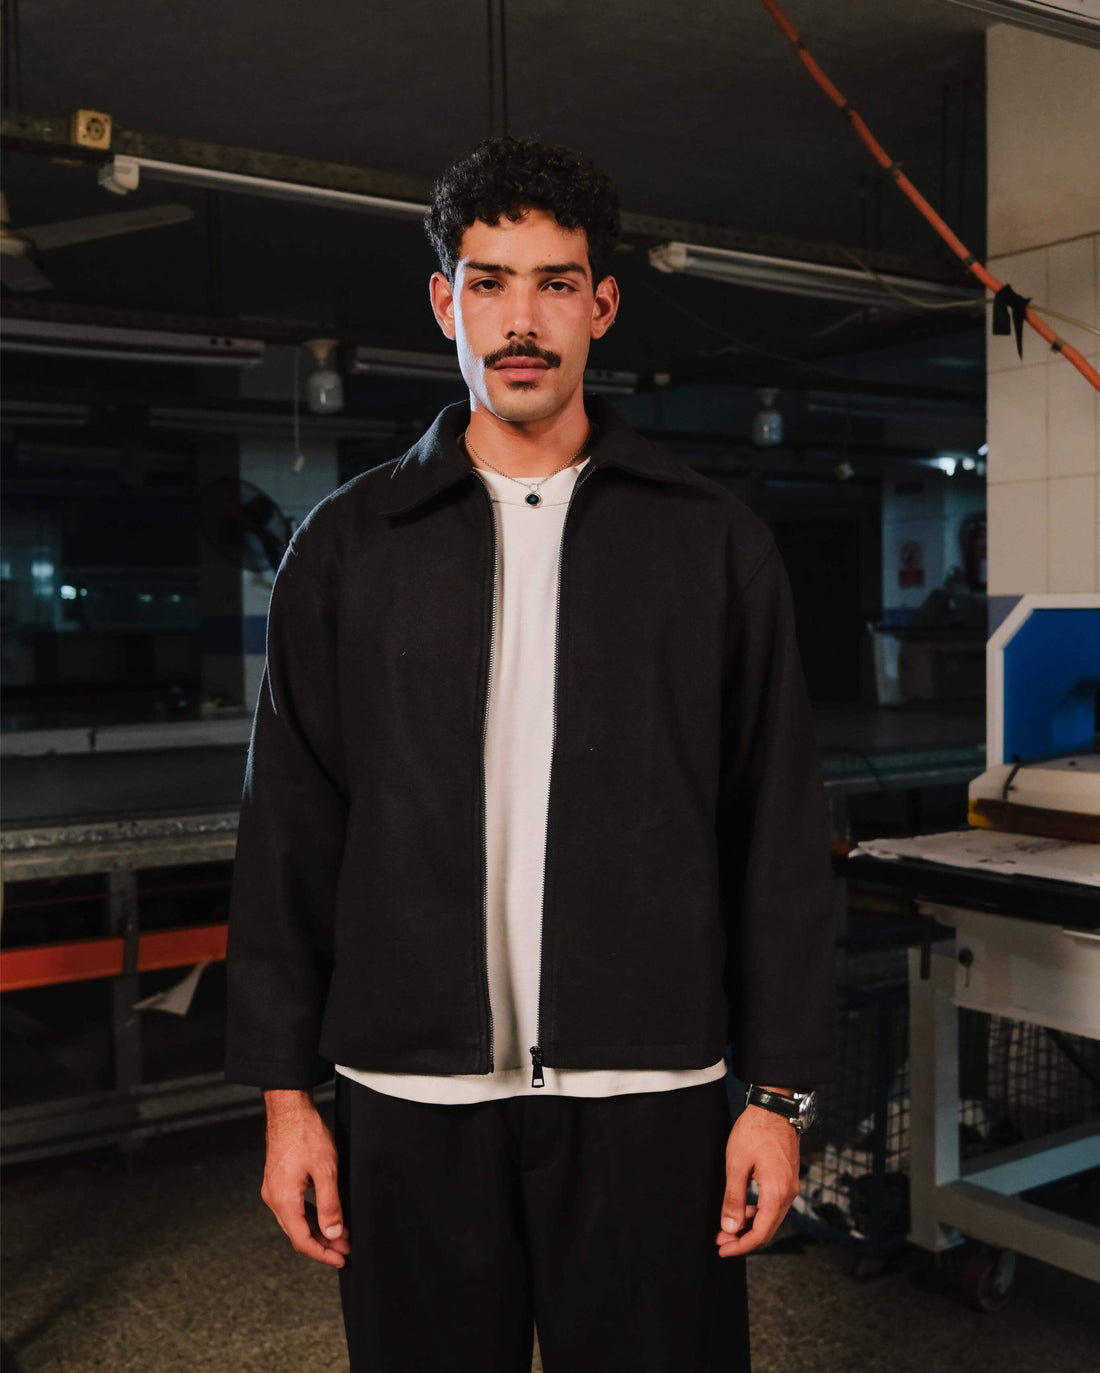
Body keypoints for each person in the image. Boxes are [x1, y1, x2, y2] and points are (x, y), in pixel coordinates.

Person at [224, 135, 837, 1372]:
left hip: (648, 1091)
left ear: (599, 306)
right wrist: (288, 1098)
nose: (521, 318)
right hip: (409, 1093)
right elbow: (291, 830)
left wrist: (775, 1098)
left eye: (554, 282)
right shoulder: (350, 547)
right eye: (490, 281)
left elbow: (772, 830)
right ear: (445, 302)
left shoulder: (709, 545)